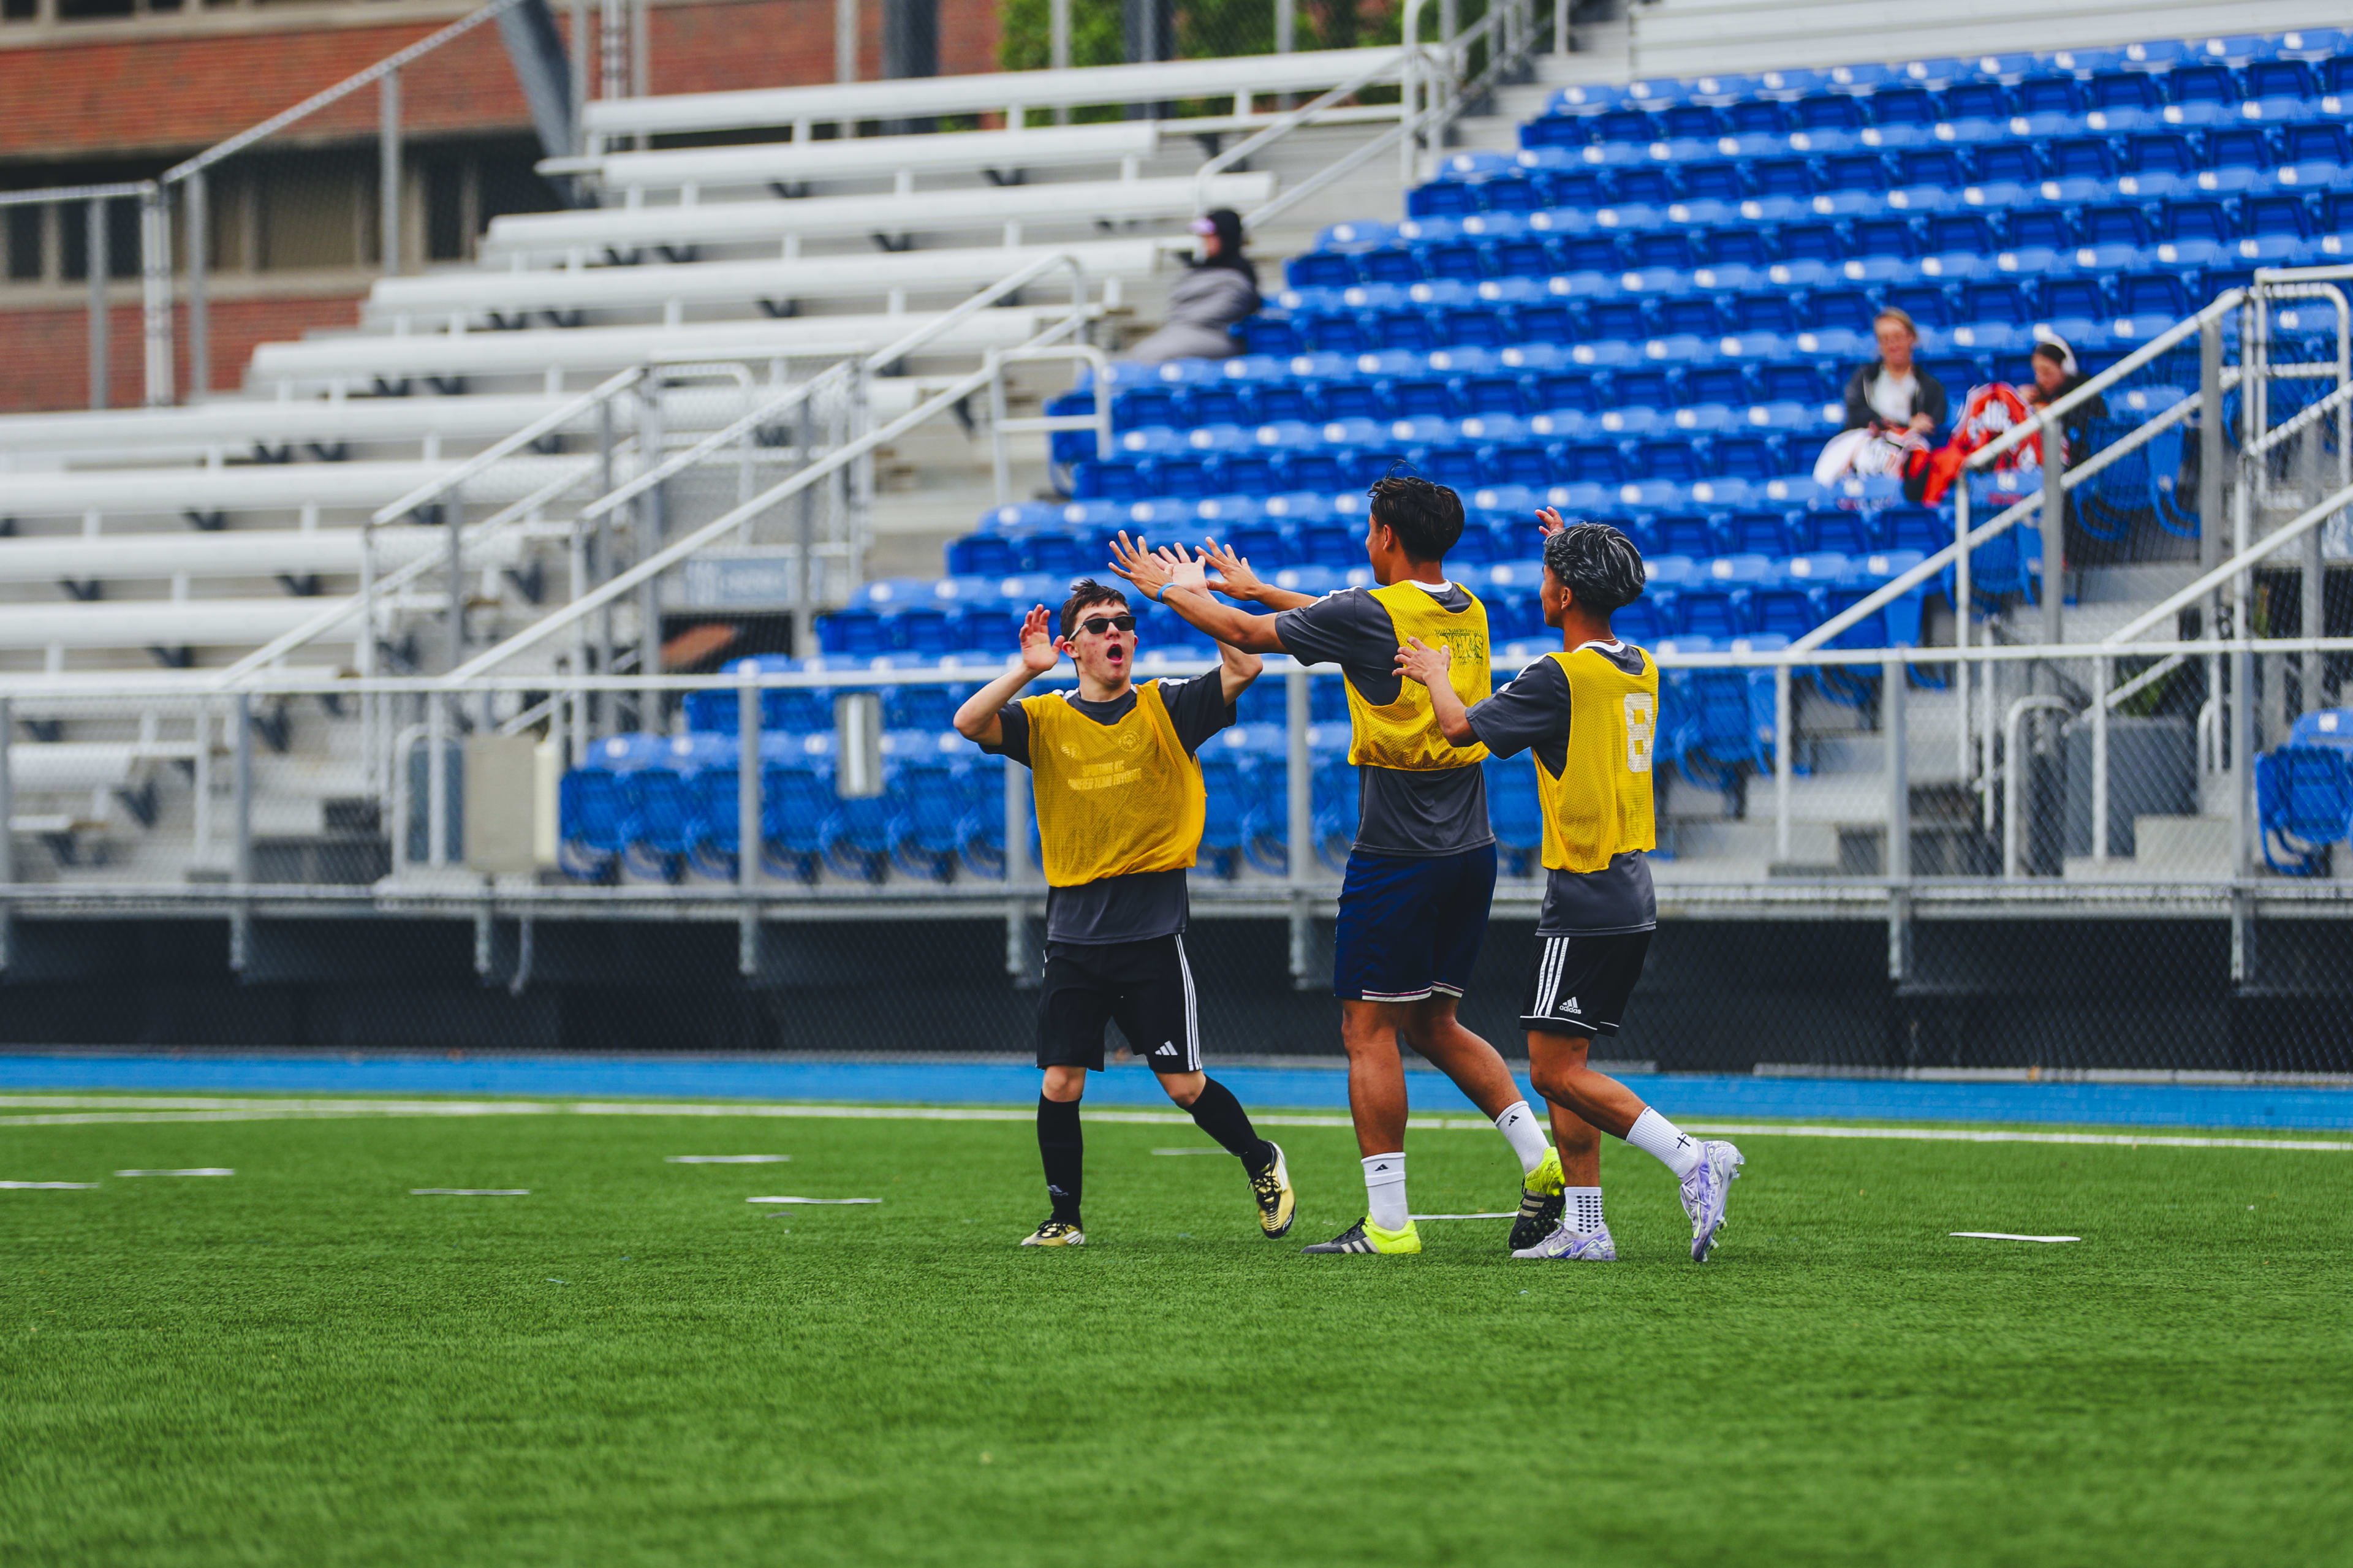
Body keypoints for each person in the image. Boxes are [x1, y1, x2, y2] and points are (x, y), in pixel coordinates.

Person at [1108, 476, 1569, 1259]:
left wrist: (1169, 589)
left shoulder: (1367, 612)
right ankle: (1539, 1157)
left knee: (1366, 1029)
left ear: (1386, 536)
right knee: (1434, 1022)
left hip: (1399, 852)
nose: (1365, 539)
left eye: (1369, 528)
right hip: (1472, 846)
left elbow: (1251, 635)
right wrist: (1262, 589)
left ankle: (1389, 1222)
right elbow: (1352, 619)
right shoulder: (1467, 608)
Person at [1393, 513, 1746, 1263]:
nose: (1540, 588)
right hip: (1628, 887)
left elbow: (1459, 731)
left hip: (1585, 891)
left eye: (1548, 577)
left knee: (1553, 1072)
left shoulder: (1558, 676)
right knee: (1568, 1069)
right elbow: (1584, 638)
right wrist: (1570, 544)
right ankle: (1586, 1227)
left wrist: (1434, 675)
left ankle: (1692, 1157)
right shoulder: (1638, 664)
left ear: (1565, 594)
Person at [951, 579, 1297, 1248]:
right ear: (1072, 647)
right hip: (1073, 933)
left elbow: (1246, 665)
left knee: (1184, 1087)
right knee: (1061, 1082)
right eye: (1099, 625)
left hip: (1151, 931)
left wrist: (1187, 600)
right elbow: (968, 723)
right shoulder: (1046, 717)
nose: (1115, 632)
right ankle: (1065, 1218)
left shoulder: (1168, 705)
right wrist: (1027, 669)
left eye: (1124, 622)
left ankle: (1261, 1159)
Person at [1121, 208, 1260, 364]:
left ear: (1226, 236)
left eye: (1210, 236)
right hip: (1180, 332)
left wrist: (1184, 323)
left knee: (1151, 356)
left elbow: (1215, 314)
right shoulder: (1198, 270)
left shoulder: (1240, 273)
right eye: (1204, 237)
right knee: (1135, 356)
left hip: (1216, 336)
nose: (1205, 242)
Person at [1841, 308, 1949, 436]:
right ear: (1879, 345)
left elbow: (1934, 423)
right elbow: (1856, 414)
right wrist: (1905, 424)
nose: (1893, 345)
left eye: (1898, 337)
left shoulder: (1931, 386)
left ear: (1912, 338)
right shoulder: (1863, 378)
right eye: (1885, 339)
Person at [2025, 333, 2105, 468]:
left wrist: (2050, 413)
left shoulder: (2086, 391)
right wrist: (2022, 401)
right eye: (2037, 372)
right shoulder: (2040, 395)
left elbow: (2082, 431)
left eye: (2047, 372)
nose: (2040, 379)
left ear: (2065, 367)